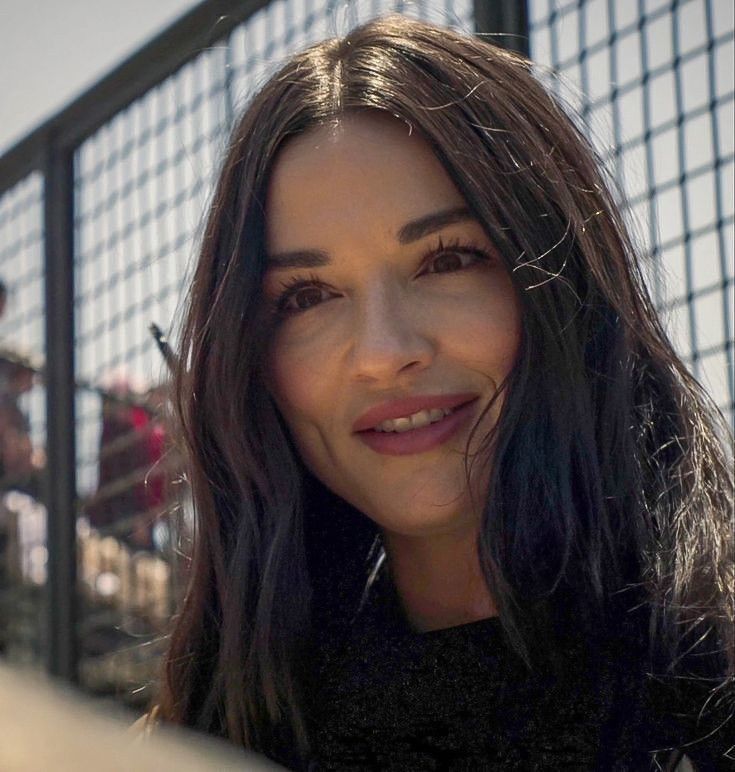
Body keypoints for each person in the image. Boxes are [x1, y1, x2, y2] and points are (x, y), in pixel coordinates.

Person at [148, 15, 733, 771]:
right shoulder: (207, 738)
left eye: (448, 259)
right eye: (305, 296)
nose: (386, 354)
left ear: (562, 285)